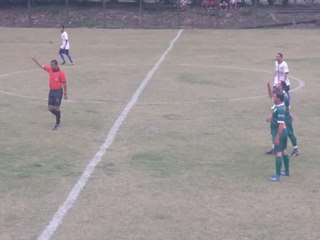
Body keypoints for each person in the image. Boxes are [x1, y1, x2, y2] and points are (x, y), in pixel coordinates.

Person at [31, 55, 68, 130]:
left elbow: (64, 83)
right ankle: (59, 115)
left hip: (58, 92)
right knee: (50, 108)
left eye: (52, 65)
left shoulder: (61, 73)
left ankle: (57, 125)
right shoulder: (50, 70)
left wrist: (65, 94)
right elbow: (42, 66)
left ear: (56, 65)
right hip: (51, 91)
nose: (51, 66)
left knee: (56, 108)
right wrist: (35, 60)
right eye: (50, 65)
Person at [266, 82, 299, 157]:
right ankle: (274, 148)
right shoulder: (278, 93)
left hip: (285, 116)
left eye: (278, 84)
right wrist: (268, 87)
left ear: (281, 87)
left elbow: (282, 109)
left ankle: (295, 150)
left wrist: (271, 116)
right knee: (274, 131)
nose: (276, 84)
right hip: (280, 115)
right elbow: (271, 96)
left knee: (289, 133)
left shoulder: (283, 96)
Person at [266, 91, 290, 182]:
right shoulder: (278, 105)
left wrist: (276, 137)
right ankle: (287, 171)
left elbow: (280, 125)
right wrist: (269, 119)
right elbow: (275, 116)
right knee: (284, 151)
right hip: (282, 132)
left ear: (279, 99)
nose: (273, 97)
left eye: (275, 96)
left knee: (278, 153)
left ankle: (277, 176)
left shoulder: (280, 109)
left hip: (279, 133)